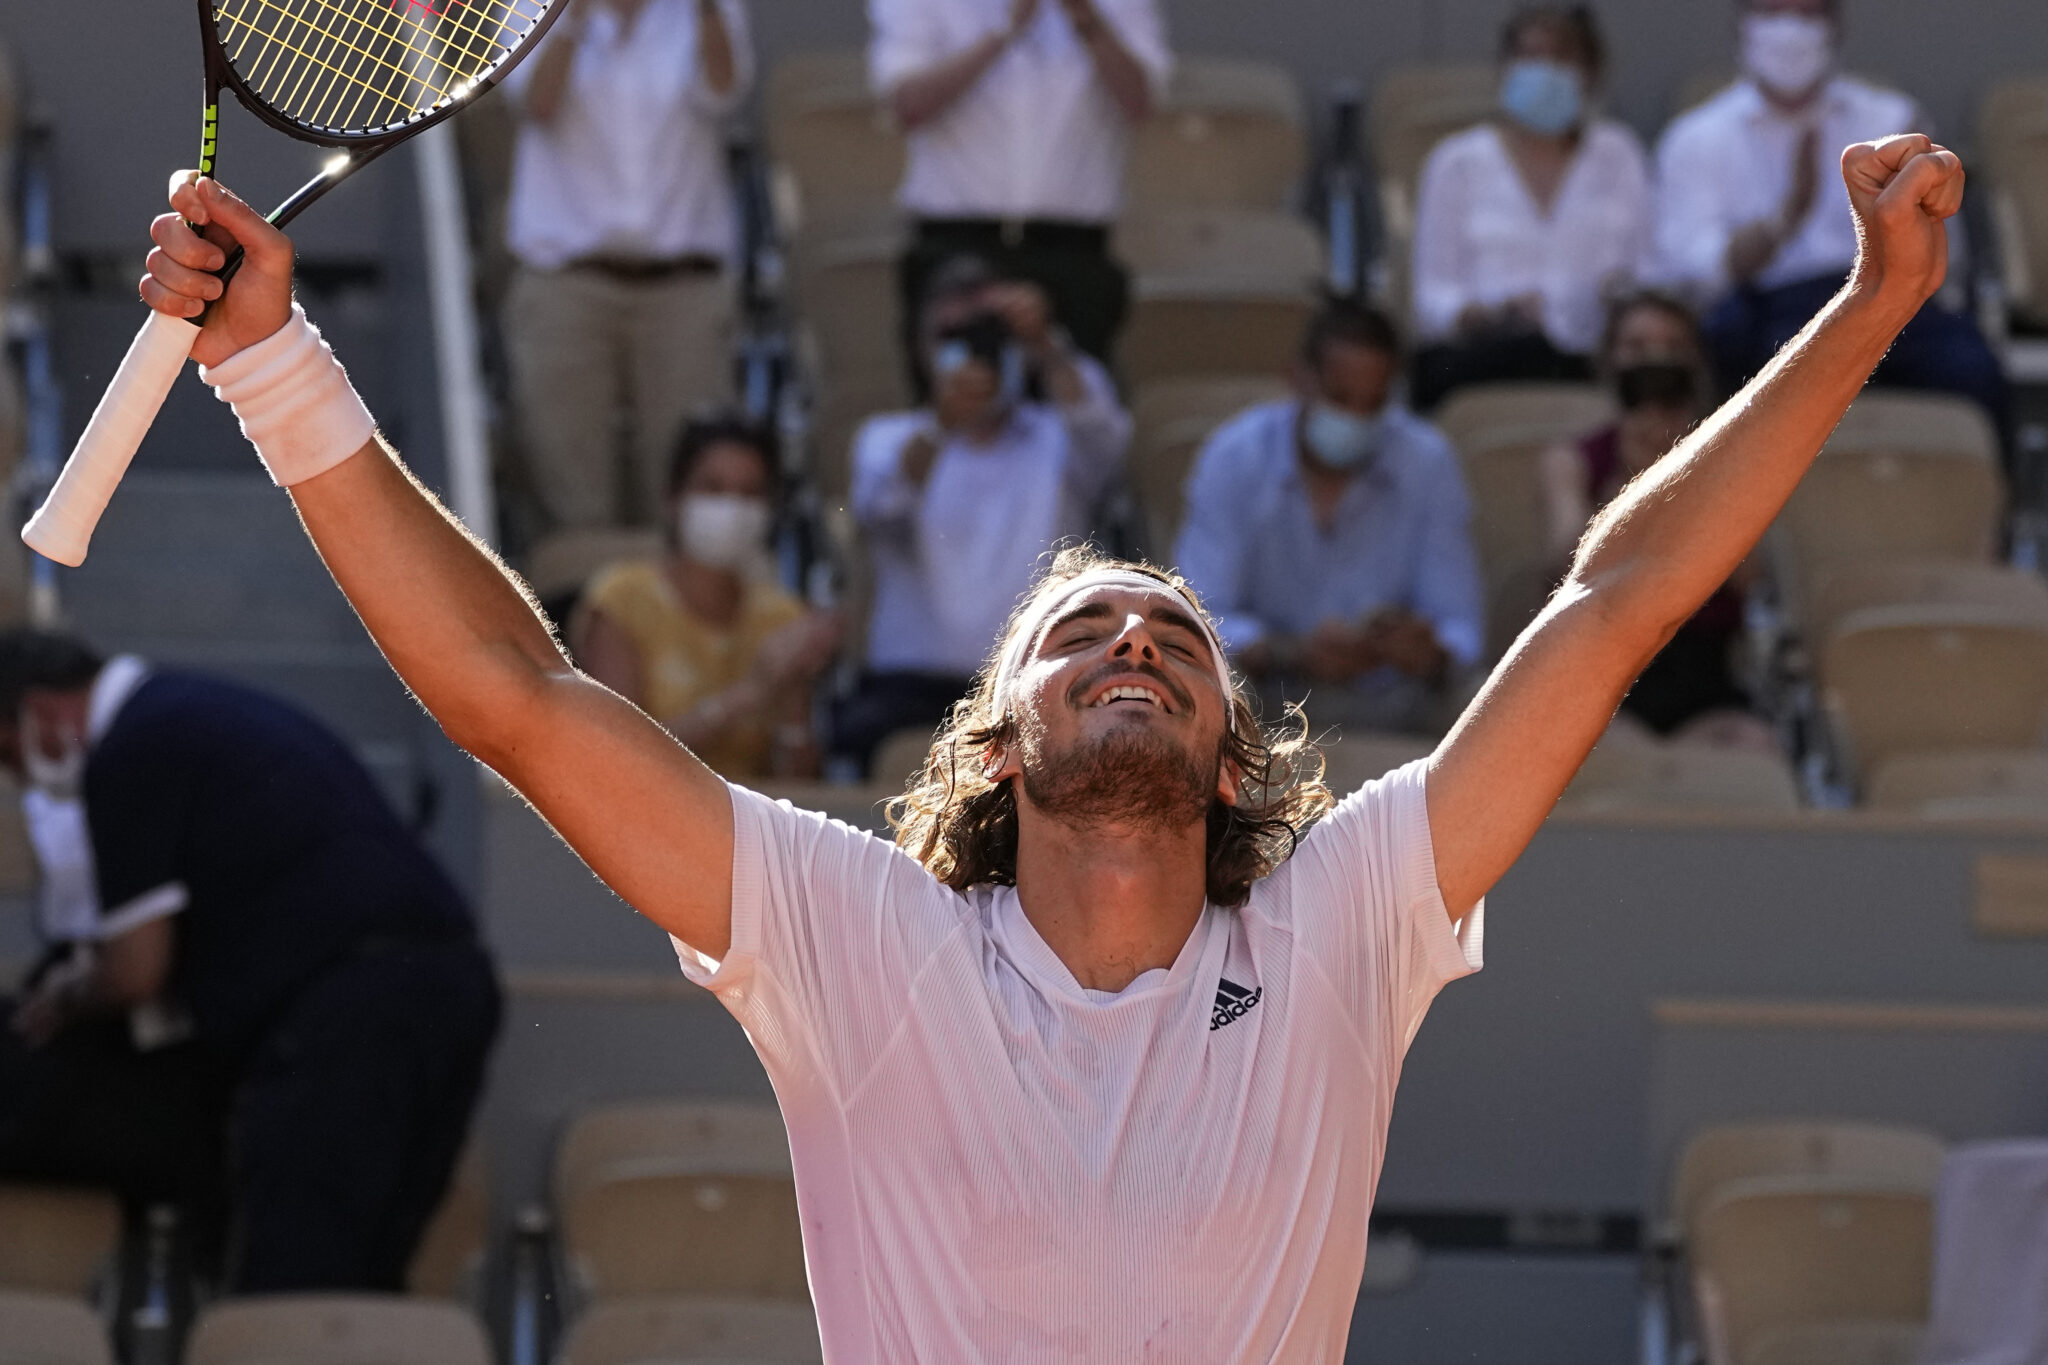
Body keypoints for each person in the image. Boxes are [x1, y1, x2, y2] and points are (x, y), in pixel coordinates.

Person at [141, 126, 1963, 1359]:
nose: (1132, 641)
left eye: (1175, 638)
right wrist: (276, 365)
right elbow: (515, 702)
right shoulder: (856, 935)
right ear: (994, 743)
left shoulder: (1341, 923)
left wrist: (1869, 307)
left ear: (1235, 762)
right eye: (1078, 630)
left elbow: (1617, 600)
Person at [0, 636, 499, 1292]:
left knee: (293, 1292)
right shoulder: (210, 712)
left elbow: (135, 970)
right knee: (363, 1291)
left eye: (7, 753)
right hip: (450, 988)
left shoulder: (131, 748)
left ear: (42, 713)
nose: (18, 777)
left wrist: (66, 995)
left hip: (345, 1017)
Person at [1651, 0, 2007, 437]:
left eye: (1806, 14)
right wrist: (1784, 220)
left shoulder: (1894, 120)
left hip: (1887, 303)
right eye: (1773, 12)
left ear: (1834, 25)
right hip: (1769, 309)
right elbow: (1694, 279)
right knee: (1740, 358)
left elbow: (1944, 257)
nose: (1789, 30)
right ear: (1745, 23)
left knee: (1970, 364)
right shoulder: (1695, 139)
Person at [834, 255, 1129, 773]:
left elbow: (1108, 437)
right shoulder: (888, 439)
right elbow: (882, 508)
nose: (971, 349)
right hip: (909, 694)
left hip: (1036, 685)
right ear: (919, 347)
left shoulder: (1057, 440)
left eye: (990, 332)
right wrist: (943, 424)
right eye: (951, 333)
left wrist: (1048, 346)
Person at [1174, 297, 1484, 737]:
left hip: (1396, 694)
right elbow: (1200, 616)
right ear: (1299, 379)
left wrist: (1428, 651)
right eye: (1340, 398)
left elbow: (1461, 628)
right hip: (1270, 693)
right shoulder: (1234, 457)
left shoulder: (1429, 462)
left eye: (1373, 403)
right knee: (1204, 688)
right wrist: (1292, 653)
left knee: (1481, 698)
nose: (1356, 417)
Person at [501, 0, 753, 530]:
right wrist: (571, 15)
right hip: (568, 286)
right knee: (572, 497)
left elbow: (725, 93)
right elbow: (538, 103)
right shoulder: (530, 6)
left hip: (683, 288)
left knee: (687, 491)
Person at [870, 0, 1170, 387]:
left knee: (1076, 410)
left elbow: (1140, 105)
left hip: (1071, 249)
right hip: (957, 242)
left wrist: (1089, 22)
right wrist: (1003, 32)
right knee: (959, 406)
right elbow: (906, 106)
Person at [1539, 293, 1777, 750]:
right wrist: (1628, 482)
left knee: (1753, 749)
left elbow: (1750, 578)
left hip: (1705, 675)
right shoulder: (1572, 461)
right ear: (1609, 362)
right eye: (1636, 346)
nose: (1655, 360)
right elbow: (1563, 567)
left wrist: (1688, 475)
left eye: (1672, 345)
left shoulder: (1730, 461)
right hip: (1598, 674)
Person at [1409, 4, 1652, 413]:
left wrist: (1616, 295)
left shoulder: (1618, 154)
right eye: (1529, 56)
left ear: (1589, 73)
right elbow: (1431, 298)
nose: (1544, 71)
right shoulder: (1457, 162)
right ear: (1505, 68)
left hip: (1590, 353)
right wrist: (1487, 313)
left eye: (1560, 58)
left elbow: (1649, 266)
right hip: (1486, 351)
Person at [571, 415, 841, 779]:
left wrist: (793, 697)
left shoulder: (780, 616)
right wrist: (748, 694)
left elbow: (801, 788)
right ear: (673, 499)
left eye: (750, 492)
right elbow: (615, 757)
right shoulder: (623, 600)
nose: (731, 508)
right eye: (713, 488)